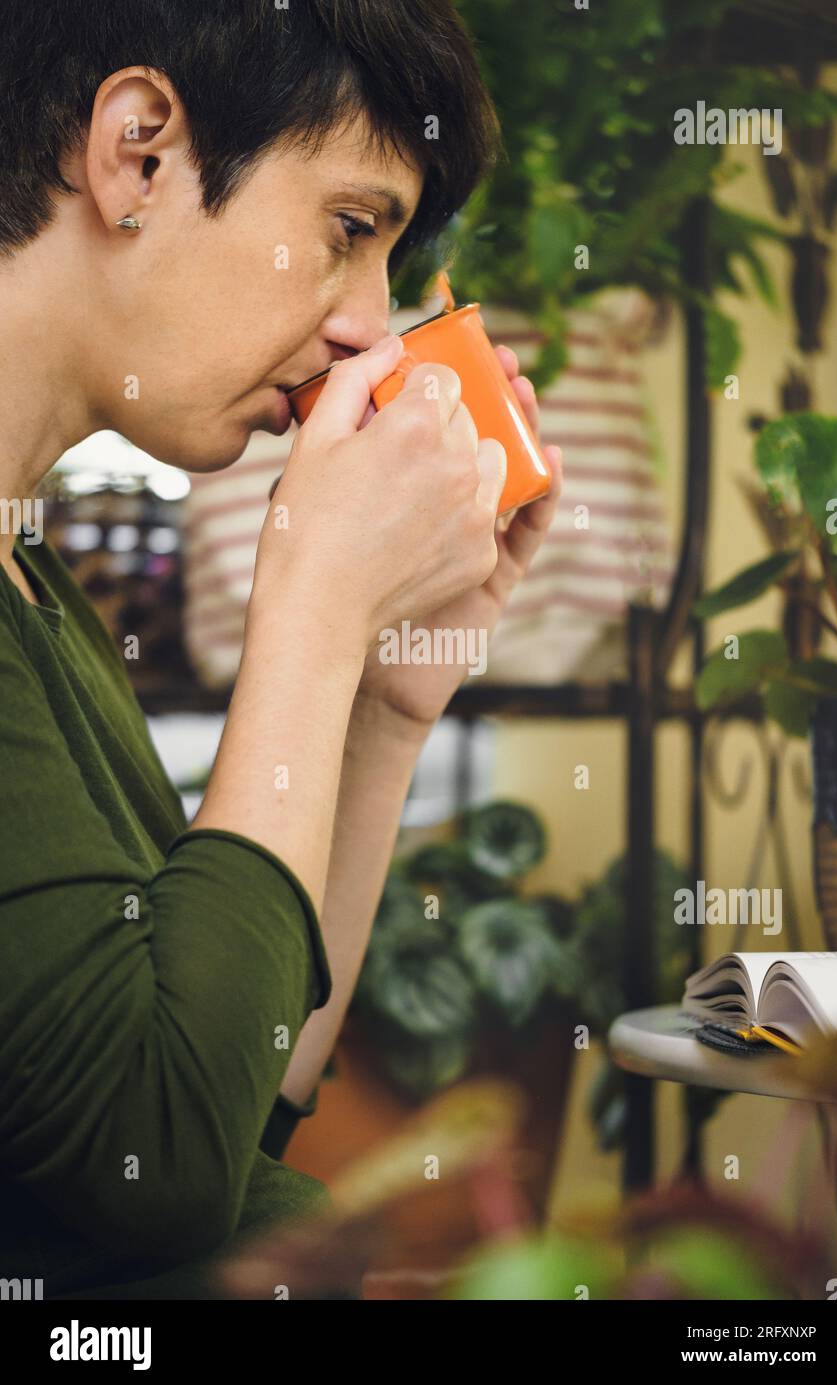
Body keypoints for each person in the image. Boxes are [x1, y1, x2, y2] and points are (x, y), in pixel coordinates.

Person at [0, 0, 562, 1299]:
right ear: (138, 154)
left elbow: (238, 1090)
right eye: (349, 230)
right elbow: (157, 1156)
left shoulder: (35, 588)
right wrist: (308, 612)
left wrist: (380, 704)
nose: (371, 324)